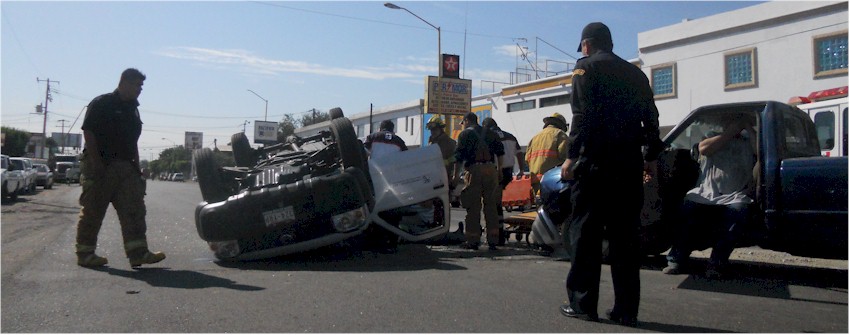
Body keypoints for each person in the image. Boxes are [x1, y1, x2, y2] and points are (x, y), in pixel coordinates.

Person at [558, 22, 664, 327]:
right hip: (628, 166)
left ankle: (583, 304)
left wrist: (571, 157)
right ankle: (626, 310)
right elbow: (652, 118)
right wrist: (652, 156)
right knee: (626, 241)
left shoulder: (585, 69)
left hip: (595, 165)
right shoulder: (636, 74)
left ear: (587, 44)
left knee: (586, 236)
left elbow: (582, 116)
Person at [75, 68, 166, 268]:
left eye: (141, 85)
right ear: (124, 82)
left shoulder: (132, 109)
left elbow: (132, 141)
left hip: (126, 167)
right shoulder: (102, 103)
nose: (140, 89)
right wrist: (97, 163)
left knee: (134, 209)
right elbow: (88, 133)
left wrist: (136, 166)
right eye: (137, 85)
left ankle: (138, 253)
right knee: (93, 210)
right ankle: (85, 254)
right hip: (101, 165)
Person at [663, 114, 757, 278]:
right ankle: (676, 259)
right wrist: (730, 133)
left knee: (738, 214)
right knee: (687, 211)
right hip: (705, 192)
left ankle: (716, 264)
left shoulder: (748, 141)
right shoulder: (713, 137)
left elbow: (760, 151)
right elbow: (704, 149)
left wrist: (748, 127)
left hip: (734, 195)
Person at [453, 112, 505, 251]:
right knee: (491, 206)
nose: (462, 126)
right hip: (491, 170)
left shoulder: (464, 135)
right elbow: (500, 152)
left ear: (467, 121)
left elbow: (458, 158)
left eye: (463, 123)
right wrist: (499, 171)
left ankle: (472, 240)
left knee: (473, 206)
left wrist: (455, 176)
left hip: (474, 170)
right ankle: (493, 240)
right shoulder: (490, 133)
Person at [363, 120, 408, 253]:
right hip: (394, 180)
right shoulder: (399, 141)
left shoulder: (373, 137)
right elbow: (406, 159)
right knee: (393, 211)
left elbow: (364, 155)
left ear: (380, 128)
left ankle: (377, 240)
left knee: (377, 209)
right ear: (392, 129)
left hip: (376, 178)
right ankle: (392, 241)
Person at [481, 117, 526, 245]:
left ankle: (497, 235)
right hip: (508, 172)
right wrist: (521, 170)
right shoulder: (511, 136)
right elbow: (519, 153)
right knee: (497, 202)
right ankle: (498, 232)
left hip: (496, 171)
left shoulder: (489, 136)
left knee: (492, 204)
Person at [525, 113, 569, 195]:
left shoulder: (534, 138)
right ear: (561, 124)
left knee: (540, 205)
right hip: (552, 181)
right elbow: (566, 156)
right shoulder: (560, 134)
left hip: (535, 182)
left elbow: (527, 160)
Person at [426, 115, 458, 183]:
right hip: (432, 177)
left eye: (435, 129)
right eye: (431, 130)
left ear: (441, 129)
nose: (432, 132)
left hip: (445, 177)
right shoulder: (431, 142)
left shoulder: (449, 142)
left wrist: (452, 178)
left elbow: (455, 161)